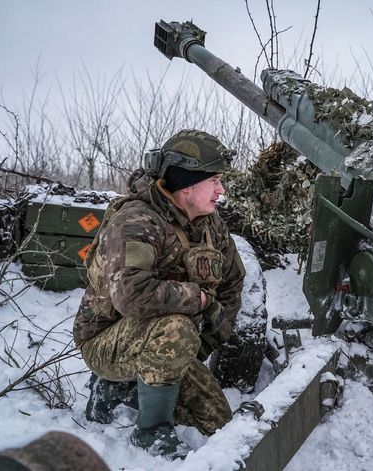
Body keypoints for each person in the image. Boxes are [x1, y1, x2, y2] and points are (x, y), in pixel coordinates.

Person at [72, 129, 245, 460]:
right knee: (176, 328)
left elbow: (232, 281)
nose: (221, 190)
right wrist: (200, 300)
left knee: (218, 422)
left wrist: (204, 342)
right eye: (214, 180)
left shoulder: (210, 223)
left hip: (167, 342)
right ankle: (149, 429)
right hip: (105, 341)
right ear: (186, 184)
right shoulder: (136, 220)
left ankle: (133, 386)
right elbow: (131, 296)